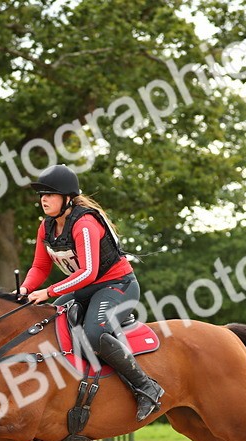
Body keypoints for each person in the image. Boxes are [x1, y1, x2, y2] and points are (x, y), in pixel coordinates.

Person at [18, 164, 164, 421]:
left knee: (94, 332)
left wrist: (48, 292)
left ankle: (146, 387)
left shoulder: (84, 223)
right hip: (85, 290)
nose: (43, 199)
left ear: (66, 198)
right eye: (42, 194)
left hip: (117, 286)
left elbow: (88, 272)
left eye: (50, 194)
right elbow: (40, 266)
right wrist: (25, 289)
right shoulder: (46, 227)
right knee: (48, 325)